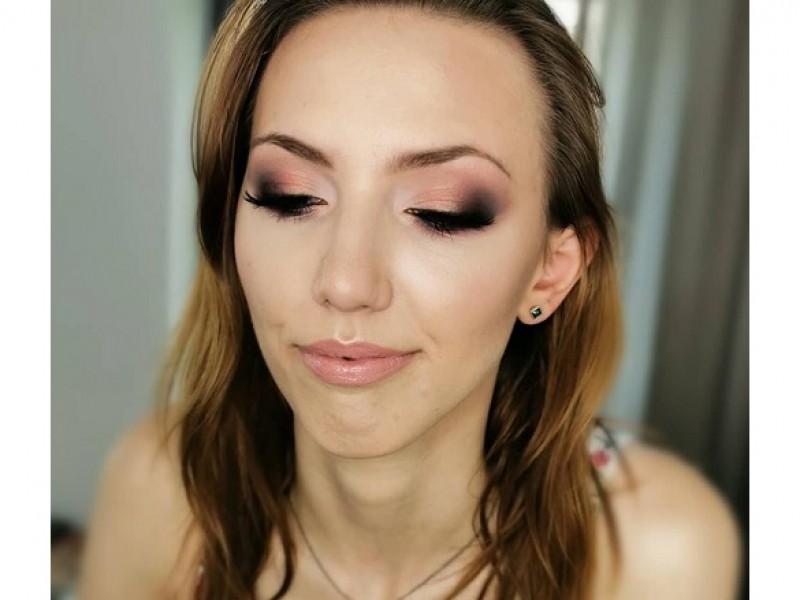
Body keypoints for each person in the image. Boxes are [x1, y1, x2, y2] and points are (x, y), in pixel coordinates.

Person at [77, 1, 741, 598]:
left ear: (550, 273)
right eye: (290, 196)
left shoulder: (655, 554)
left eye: (440, 211)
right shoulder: (161, 495)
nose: (346, 282)